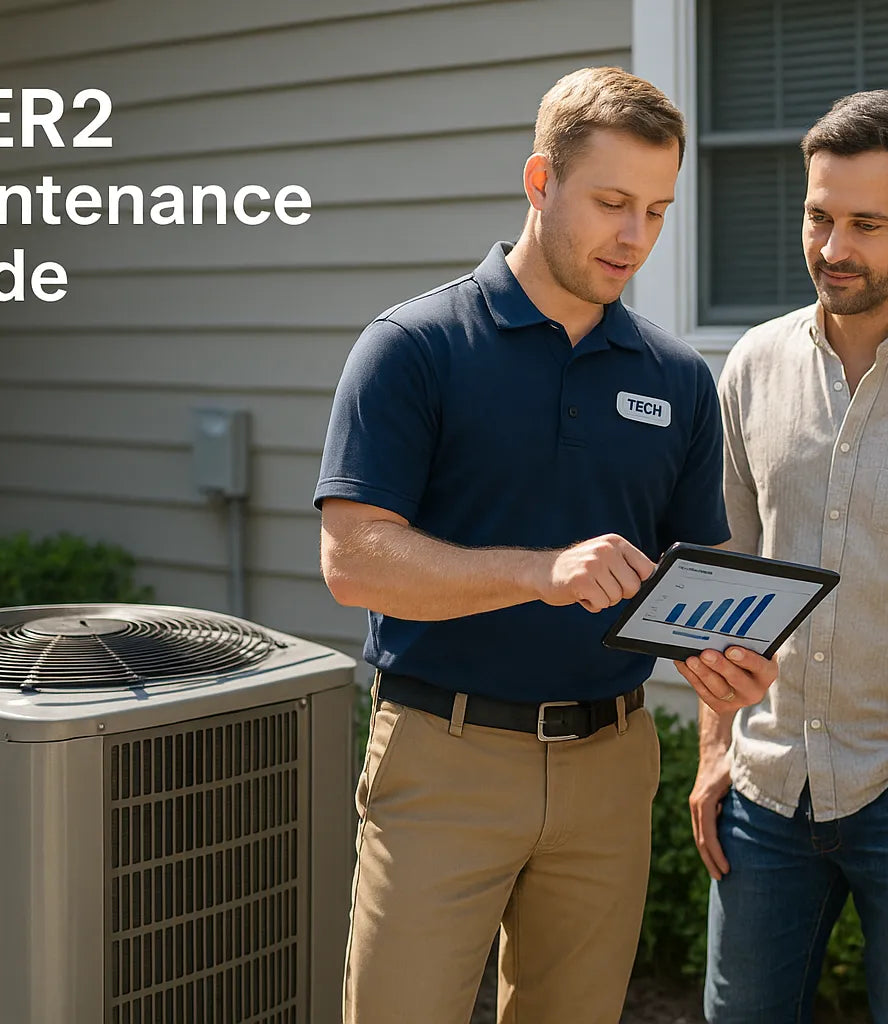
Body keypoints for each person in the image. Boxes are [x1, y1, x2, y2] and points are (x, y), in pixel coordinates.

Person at [315, 66, 779, 1024]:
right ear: (540, 181)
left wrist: (724, 659)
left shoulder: (679, 379)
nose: (636, 238)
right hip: (444, 758)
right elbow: (352, 559)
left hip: (612, 763)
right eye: (612, 203)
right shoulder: (415, 347)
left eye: (656, 210)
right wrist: (539, 573)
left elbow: (689, 578)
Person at [682, 89, 888, 1024]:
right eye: (819, 217)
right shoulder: (752, 363)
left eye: (866, 223)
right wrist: (712, 750)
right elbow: (726, 569)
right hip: (765, 783)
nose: (833, 247)